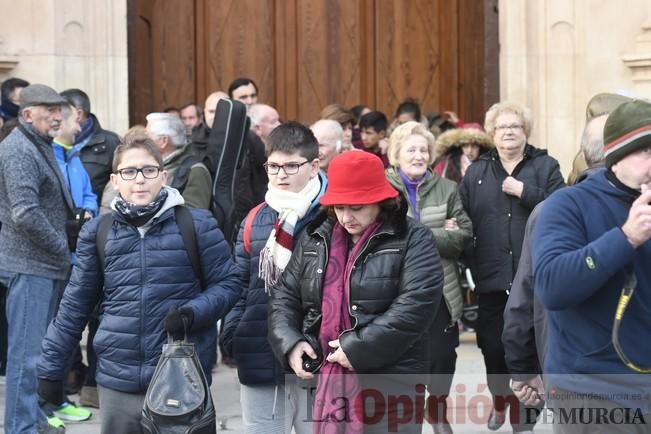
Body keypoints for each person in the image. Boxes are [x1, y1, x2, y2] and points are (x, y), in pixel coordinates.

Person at [37, 137, 241, 434]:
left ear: (163, 176)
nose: (140, 180)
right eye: (129, 172)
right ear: (115, 181)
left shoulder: (196, 224)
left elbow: (229, 283)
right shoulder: (98, 232)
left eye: (148, 170)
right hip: (117, 378)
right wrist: (50, 369)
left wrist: (192, 313)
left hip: (181, 375)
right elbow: (74, 305)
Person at [268, 150, 443, 434]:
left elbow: (416, 304)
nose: (346, 216)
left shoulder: (414, 238)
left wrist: (357, 347)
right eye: (338, 207)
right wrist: (290, 341)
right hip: (326, 376)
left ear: (380, 201)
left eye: (357, 207)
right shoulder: (316, 237)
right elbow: (285, 295)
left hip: (393, 381)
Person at [533, 99, 651, 433]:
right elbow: (551, 287)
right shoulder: (568, 205)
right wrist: (627, 237)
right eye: (645, 151)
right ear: (615, 158)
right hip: (591, 393)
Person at [460, 101, 565, 432]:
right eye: (502, 127)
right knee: (493, 349)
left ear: (526, 132)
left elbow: (562, 208)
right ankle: (500, 400)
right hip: (490, 279)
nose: (508, 132)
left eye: (515, 126)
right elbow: (463, 219)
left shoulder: (545, 166)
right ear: (492, 133)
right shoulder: (476, 172)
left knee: (529, 350)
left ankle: (525, 419)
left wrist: (526, 191)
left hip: (532, 279)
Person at [502, 108, 612, 422]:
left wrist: (523, 370)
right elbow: (527, 295)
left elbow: (521, 300)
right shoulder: (556, 211)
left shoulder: (549, 209)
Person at [221, 121, 328, 434]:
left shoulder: (334, 216)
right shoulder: (256, 218)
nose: (281, 174)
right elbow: (238, 284)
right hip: (260, 351)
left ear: (313, 166)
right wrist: (232, 335)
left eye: (292, 165)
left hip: (317, 355)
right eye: (274, 166)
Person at [385, 121, 472, 434]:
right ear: (397, 154)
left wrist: (414, 233)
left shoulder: (447, 189)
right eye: (411, 149)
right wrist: (434, 233)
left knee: (441, 357)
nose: (419, 155)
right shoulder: (383, 189)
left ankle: (437, 413)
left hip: (440, 291)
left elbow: (462, 236)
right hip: (394, 290)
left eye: (423, 149)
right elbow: (383, 238)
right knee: (400, 357)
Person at [0, 84, 69, 434]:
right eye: (48, 109)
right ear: (27, 114)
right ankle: (19, 427)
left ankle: (31, 421)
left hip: (42, 266)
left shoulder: (37, 144)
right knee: (25, 359)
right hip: (29, 267)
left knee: (34, 355)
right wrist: (62, 247)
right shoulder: (18, 150)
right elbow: (24, 213)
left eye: (59, 109)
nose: (58, 115)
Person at [60, 88, 121, 207]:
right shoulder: (54, 143)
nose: (56, 116)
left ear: (78, 114)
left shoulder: (111, 142)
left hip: (97, 218)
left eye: (60, 110)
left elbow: (122, 183)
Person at [146, 112, 213, 209]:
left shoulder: (196, 170)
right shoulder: (151, 166)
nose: (144, 142)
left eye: (148, 136)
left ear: (164, 141)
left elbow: (195, 216)